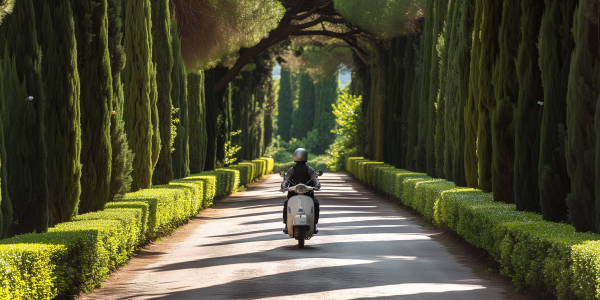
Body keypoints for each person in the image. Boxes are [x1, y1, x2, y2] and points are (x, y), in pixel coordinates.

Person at [281, 148, 321, 234]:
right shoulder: (309, 169)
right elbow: (286, 180)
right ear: (305, 156)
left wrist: (284, 186)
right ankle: (287, 225)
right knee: (316, 203)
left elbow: (315, 179)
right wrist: (317, 185)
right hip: (308, 194)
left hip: (295, 194)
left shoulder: (292, 169)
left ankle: (313, 224)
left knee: (286, 203)